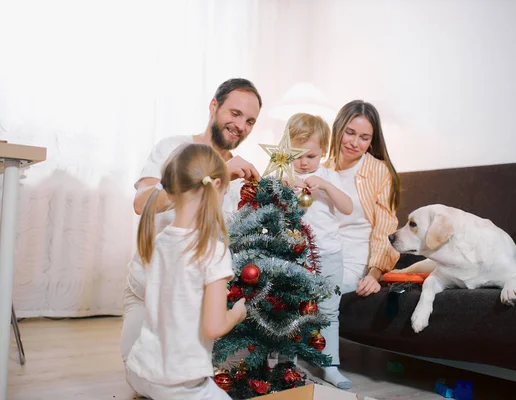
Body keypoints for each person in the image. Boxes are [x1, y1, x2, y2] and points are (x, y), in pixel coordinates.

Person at [121, 78, 262, 361]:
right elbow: (141, 203)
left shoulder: (241, 175)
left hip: (196, 301)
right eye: (234, 114)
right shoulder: (174, 148)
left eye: (249, 121)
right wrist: (218, 172)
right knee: (139, 376)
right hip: (149, 293)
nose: (240, 126)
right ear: (213, 106)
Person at [125, 143, 246, 399]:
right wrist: (237, 314)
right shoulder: (213, 250)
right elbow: (214, 327)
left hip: (139, 370)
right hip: (180, 382)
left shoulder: (158, 242)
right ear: (215, 186)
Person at [283, 113, 353, 389]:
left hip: (329, 254)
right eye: (296, 154)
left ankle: (330, 365)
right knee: (289, 309)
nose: (303, 162)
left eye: (310, 156)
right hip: (295, 255)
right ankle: (287, 363)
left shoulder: (329, 176)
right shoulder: (284, 175)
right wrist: (287, 186)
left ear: (323, 152)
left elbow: (347, 208)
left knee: (328, 311)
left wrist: (324, 185)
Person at [325, 100, 401, 297]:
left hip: (356, 261)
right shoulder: (322, 170)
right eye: (349, 133)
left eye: (364, 138)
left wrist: (374, 274)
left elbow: (385, 229)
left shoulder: (379, 171)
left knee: (322, 293)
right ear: (338, 128)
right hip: (323, 256)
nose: (354, 143)